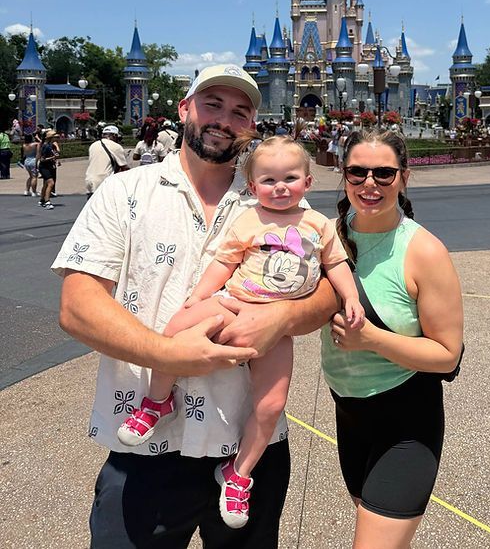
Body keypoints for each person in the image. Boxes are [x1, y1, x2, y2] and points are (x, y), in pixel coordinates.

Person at [53, 64, 338, 548]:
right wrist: (166, 356)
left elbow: (332, 285)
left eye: (240, 111)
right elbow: (78, 306)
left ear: (252, 126)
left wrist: (285, 316)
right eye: (213, 104)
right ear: (185, 108)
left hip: (249, 453)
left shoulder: (273, 194)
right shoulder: (125, 192)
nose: (224, 119)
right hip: (149, 450)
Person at [118, 135, 363, 529]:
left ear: (307, 182)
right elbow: (223, 262)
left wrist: (350, 298)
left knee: (270, 405)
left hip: (279, 324)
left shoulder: (319, 225)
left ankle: (239, 472)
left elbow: (335, 266)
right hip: (234, 300)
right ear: (252, 187)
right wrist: (198, 297)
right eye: (268, 180)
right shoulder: (248, 220)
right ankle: (157, 400)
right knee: (174, 331)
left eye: (290, 178)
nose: (280, 187)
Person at [321, 129, 464, 549]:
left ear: (404, 176)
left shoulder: (423, 251)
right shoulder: (327, 235)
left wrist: (371, 339)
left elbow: (446, 355)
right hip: (348, 414)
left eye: (384, 174)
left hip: (405, 421)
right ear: (343, 174)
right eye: (357, 172)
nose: (369, 184)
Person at [85, 125, 130, 197]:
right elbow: (124, 167)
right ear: (114, 135)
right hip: (104, 181)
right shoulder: (116, 146)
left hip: (89, 179)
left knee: (92, 205)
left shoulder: (93, 145)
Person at [37, 129, 58, 207]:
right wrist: (52, 157)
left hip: (49, 166)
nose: (56, 138)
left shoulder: (50, 145)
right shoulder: (45, 146)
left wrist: (54, 158)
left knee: (46, 184)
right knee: (51, 183)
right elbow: (42, 159)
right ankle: (47, 201)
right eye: (55, 137)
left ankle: (42, 200)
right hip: (44, 167)